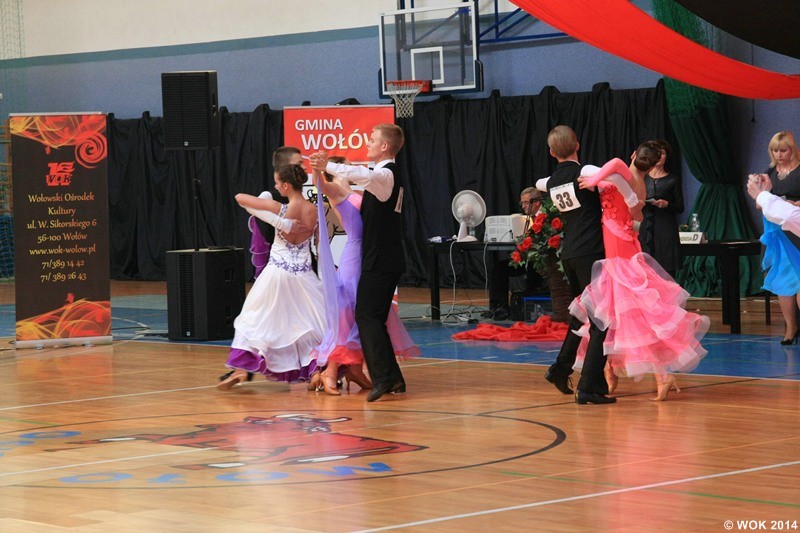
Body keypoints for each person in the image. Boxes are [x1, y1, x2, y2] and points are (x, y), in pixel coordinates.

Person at [573, 141, 709, 401]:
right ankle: (628, 372)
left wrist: (593, 181)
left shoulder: (624, 175)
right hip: (622, 247)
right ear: (654, 163)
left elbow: (613, 164)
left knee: (627, 315)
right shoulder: (640, 185)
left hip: (619, 253)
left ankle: (639, 373)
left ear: (634, 155)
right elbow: (634, 215)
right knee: (624, 315)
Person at [309, 123, 408, 402]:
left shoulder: (385, 175)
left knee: (366, 316)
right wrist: (322, 168)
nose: (368, 143)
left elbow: (362, 174)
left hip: (380, 260)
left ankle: (383, 378)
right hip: (379, 259)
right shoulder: (383, 178)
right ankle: (391, 378)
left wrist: (328, 165)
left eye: (372, 139)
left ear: (385, 146)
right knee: (371, 317)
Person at [217, 163, 325, 390]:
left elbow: (240, 198)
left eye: (277, 183)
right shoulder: (315, 210)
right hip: (305, 275)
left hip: (276, 274)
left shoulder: (279, 208)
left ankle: (242, 369)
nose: (275, 186)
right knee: (309, 324)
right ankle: (316, 371)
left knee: (255, 320)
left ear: (286, 186)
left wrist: (280, 221)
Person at [535, 125, 614, 405]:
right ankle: (589, 387)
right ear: (577, 145)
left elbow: (540, 183)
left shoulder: (553, 181)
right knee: (602, 321)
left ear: (551, 152)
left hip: (569, 254)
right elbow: (612, 175)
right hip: (590, 253)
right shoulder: (585, 172)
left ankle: (560, 369)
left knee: (582, 316)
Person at [750, 131, 800, 344]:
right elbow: (759, 203)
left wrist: (793, 204)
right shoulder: (768, 173)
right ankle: (791, 328)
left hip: (796, 230)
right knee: (783, 281)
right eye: (775, 150)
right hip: (778, 235)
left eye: (783, 150)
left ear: (792, 150)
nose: (779, 155)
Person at [482, 187, 547, 320]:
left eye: (526, 202)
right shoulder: (523, 219)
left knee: (532, 270)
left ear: (537, 202)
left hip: (542, 260)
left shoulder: (546, 216)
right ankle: (499, 307)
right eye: (522, 203)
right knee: (499, 268)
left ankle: (526, 307)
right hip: (526, 258)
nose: (523, 206)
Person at [638, 139, 684, 278]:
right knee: (646, 268)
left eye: (662, 153)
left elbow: (680, 207)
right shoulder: (643, 177)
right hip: (646, 226)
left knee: (666, 269)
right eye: (656, 153)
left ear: (666, 156)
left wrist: (667, 204)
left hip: (665, 227)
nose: (659, 156)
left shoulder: (672, 180)